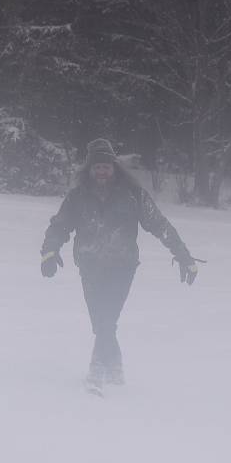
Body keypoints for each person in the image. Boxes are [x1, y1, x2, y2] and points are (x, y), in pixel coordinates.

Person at [40, 138, 198, 396]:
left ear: (115, 168)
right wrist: (49, 251)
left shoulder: (133, 195)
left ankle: (97, 369)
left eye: (106, 167)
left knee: (107, 317)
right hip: (89, 264)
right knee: (100, 321)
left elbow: (159, 225)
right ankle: (115, 365)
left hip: (122, 266)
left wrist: (183, 255)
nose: (102, 171)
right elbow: (60, 226)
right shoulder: (77, 197)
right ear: (89, 170)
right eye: (97, 167)